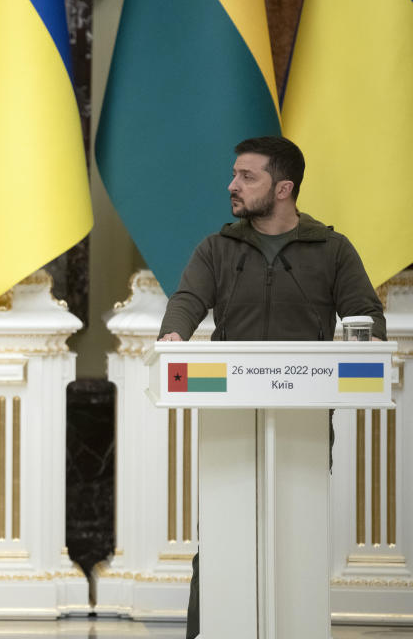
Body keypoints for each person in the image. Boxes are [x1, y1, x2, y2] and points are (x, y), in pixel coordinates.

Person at [157, 136, 385, 638]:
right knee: (220, 533)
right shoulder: (218, 247)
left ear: (284, 188)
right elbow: (187, 300)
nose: (232, 185)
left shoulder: (331, 248)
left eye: (247, 176)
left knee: (296, 530)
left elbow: (367, 317)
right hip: (230, 412)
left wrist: (362, 339)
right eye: (235, 174)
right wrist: (174, 334)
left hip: (306, 414)